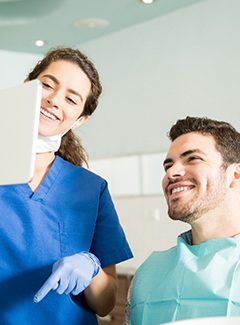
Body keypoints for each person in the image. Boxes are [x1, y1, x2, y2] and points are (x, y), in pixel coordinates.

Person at [0, 47, 133, 324]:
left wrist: (93, 270)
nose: (53, 100)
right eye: (47, 85)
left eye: (71, 99)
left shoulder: (90, 189)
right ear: (27, 85)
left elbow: (106, 303)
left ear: (81, 118)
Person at [125, 116, 240, 325]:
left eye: (193, 158)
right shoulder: (148, 274)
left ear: (236, 174)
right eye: (168, 165)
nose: (172, 172)